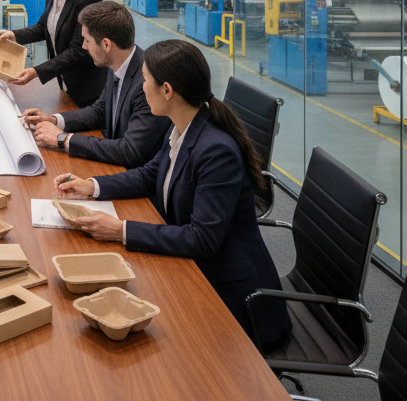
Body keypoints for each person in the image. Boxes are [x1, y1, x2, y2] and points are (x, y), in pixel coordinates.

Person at [55, 39, 291, 346]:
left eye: (145, 80)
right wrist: (93, 186)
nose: (141, 88)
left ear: (167, 90)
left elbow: (201, 239)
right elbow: (151, 173)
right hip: (194, 268)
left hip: (231, 296)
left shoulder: (216, 152)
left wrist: (120, 230)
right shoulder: (183, 124)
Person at [21, 0, 168, 168]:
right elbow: (100, 111)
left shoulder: (147, 84)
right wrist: (53, 120)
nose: (84, 46)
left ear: (106, 44)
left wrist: (63, 139)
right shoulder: (118, 63)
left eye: (86, 40)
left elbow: (130, 151)